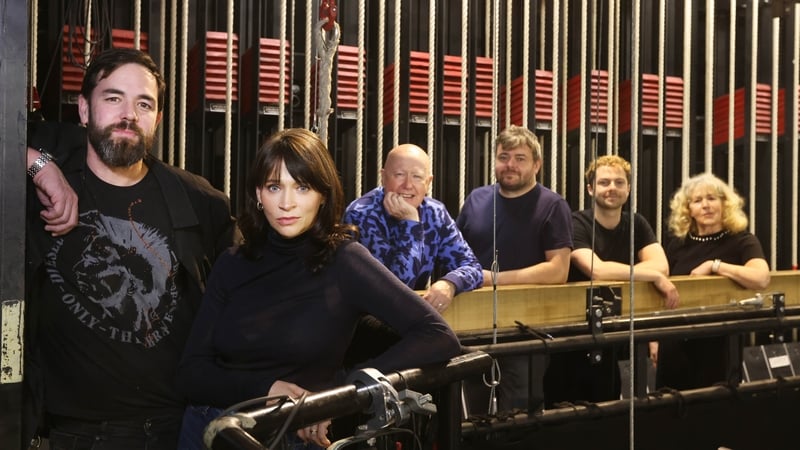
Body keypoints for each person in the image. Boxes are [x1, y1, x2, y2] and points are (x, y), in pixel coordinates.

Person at [176, 129, 462, 449]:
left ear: (322, 195)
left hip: (289, 436)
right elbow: (191, 373)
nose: (286, 203)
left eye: (302, 187)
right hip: (211, 429)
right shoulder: (232, 263)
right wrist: (267, 387)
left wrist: (336, 396)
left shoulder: (345, 260)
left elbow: (437, 336)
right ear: (258, 194)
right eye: (274, 187)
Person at [23, 48, 240, 450]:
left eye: (144, 104)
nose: (128, 114)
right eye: (113, 98)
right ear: (84, 110)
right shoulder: (42, 191)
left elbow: (247, 305)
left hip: (180, 429)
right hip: (72, 434)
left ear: (157, 119)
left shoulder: (200, 202)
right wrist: (38, 164)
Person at [456, 125, 573, 412]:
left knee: (521, 415)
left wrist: (493, 279)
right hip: (476, 325)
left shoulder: (553, 205)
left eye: (520, 158)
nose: (510, 165)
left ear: (537, 165)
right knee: (474, 415)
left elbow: (558, 271)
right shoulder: (476, 200)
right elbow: (455, 255)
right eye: (503, 157)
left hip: (527, 328)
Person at [553, 155, 679, 405]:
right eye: (604, 182)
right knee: (565, 409)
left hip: (614, 336)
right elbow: (596, 270)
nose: (612, 188)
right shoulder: (576, 222)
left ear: (629, 188)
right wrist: (650, 274)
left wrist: (654, 271)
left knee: (609, 407)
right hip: (571, 334)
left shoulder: (637, 223)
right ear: (591, 188)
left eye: (619, 182)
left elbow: (661, 264)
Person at [657, 172, 770, 390]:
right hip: (675, 341)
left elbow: (761, 278)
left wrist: (715, 266)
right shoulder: (676, 245)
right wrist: (654, 339)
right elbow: (661, 290)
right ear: (688, 209)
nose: (706, 205)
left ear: (724, 203)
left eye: (712, 198)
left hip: (719, 343)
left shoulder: (742, 241)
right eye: (697, 201)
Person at [343, 143, 483, 312]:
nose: (408, 185)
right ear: (383, 177)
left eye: (417, 176)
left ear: (428, 182)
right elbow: (396, 291)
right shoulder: (361, 214)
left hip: (413, 320)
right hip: (368, 319)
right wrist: (411, 223)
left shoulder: (435, 213)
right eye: (399, 175)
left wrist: (450, 283)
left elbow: (473, 267)